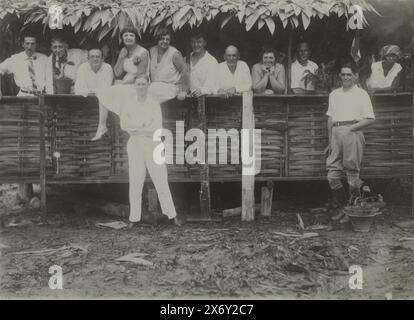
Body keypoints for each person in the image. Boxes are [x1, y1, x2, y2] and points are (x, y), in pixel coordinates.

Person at [95, 75, 182, 228]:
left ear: (148, 85)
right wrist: (141, 124)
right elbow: (124, 125)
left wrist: (137, 126)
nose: (141, 87)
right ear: (134, 86)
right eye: (138, 84)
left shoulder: (154, 104)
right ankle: (134, 218)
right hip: (134, 143)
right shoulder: (128, 104)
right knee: (136, 180)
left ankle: (172, 215)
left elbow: (156, 127)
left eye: (143, 84)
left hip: (153, 143)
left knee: (160, 179)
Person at [324, 62, 375, 223]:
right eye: (343, 74)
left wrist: (350, 128)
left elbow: (370, 119)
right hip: (336, 133)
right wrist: (330, 140)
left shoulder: (361, 94)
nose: (346, 77)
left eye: (349, 74)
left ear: (355, 76)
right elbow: (331, 118)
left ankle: (353, 211)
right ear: (340, 76)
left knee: (352, 173)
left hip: (353, 131)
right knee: (332, 175)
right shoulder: (334, 94)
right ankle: (343, 208)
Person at [74, 48, 114, 141]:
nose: (95, 59)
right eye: (92, 57)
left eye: (98, 57)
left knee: (104, 95)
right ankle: (101, 127)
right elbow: (78, 89)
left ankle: (102, 126)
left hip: (104, 102)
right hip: (85, 103)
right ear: (88, 59)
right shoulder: (83, 67)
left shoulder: (107, 68)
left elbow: (106, 90)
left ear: (102, 59)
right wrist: (96, 91)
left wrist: (91, 90)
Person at [0, 33, 48, 99]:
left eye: (32, 44)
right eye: (27, 43)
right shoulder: (15, 59)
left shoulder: (44, 59)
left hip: (42, 97)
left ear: (36, 45)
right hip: (23, 97)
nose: (29, 47)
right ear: (23, 44)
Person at [148, 28, 189, 103]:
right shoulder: (152, 51)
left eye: (167, 39)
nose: (165, 41)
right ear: (157, 40)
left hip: (170, 87)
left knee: (150, 95)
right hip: (154, 86)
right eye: (162, 39)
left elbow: (185, 71)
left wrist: (184, 91)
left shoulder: (174, 54)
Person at [187, 32, 218, 97]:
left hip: (205, 98)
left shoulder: (211, 61)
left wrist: (201, 90)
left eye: (199, 42)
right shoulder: (186, 59)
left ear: (204, 43)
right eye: (193, 42)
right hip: (187, 97)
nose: (196, 45)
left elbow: (211, 84)